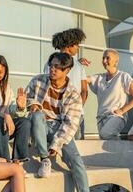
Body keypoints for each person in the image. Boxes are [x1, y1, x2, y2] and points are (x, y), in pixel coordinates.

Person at [26, 52, 89, 191]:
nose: (52, 69)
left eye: (57, 67)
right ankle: (44, 159)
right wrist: (32, 105)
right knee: (37, 115)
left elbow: (70, 124)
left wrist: (56, 145)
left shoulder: (73, 94)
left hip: (60, 128)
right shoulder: (37, 81)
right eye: (51, 65)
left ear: (67, 70)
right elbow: (27, 99)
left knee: (76, 160)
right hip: (39, 123)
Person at [87, 48, 133, 140]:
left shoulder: (123, 76)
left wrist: (122, 110)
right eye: (103, 58)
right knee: (107, 142)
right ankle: (121, 153)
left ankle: (123, 146)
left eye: (107, 58)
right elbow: (83, 79)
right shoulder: (99, 78)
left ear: (116, 61)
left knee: (105, 134)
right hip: (101, 118)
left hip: (116, 116)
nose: (104, 61)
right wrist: (78, 65)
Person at [44, 28, 88, 140]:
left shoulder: (50, 64)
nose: (78, 48)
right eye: (77, 45)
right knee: (76, 146)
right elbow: (84, 91)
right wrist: (77, 109)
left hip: (57, 113)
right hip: (72, 114)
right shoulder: (78, 66)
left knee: (57, 145)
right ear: (69, 45)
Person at [0, 54, 31, 161]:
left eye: (0, 72)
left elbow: (12, 111)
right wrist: (3, 115)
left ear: (5, 73)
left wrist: (20, 108)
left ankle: (18, 160)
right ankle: (4, 162)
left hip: (4, 131)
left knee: (25, 122)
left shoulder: (7, 89)